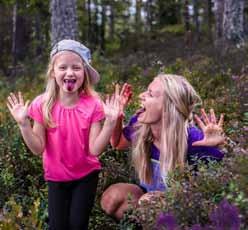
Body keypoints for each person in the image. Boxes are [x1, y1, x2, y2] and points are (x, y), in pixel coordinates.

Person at [6, 39, 120, 230]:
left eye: (76, 67)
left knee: (77, 224)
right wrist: (24, 124)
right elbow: (37, 148)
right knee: (57, 226)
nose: (69, 72)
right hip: (56, 178)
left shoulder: (93, 104)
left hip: (86, 176)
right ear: (53, 72)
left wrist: (110, 123)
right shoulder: (42, 105)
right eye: (63, 67)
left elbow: (95, 149)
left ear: (84, 73)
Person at [101, 74, 225, 220]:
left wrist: (224, 145)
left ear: (168, 108)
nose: (141, 95)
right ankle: (140, 222)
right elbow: (118, 144)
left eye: (150, 94)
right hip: (146, 197)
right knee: (111, 199)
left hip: (183, 206)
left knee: (147, 203)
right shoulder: (140, 126)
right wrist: (118, 117)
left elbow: (227, 181)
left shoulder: (194, 140)